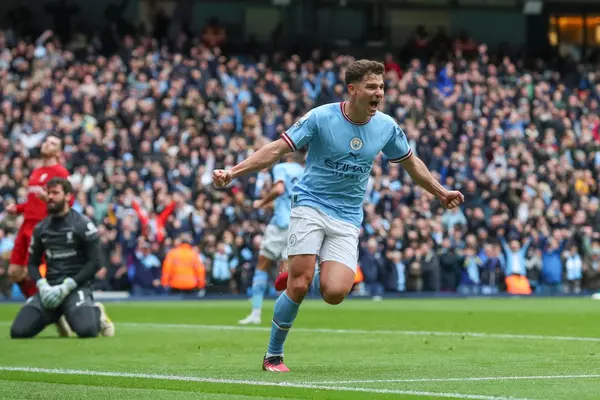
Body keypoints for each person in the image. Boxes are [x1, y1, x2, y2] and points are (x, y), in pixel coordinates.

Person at [213, 59, 464, 372]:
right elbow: (277, 149)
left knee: (334, 293)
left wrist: (440, 192)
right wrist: (233, 172)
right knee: (300, 285)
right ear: (352, 89)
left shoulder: (386, 127)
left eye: (382, 87)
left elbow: (412, 163)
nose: (379, 93)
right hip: (310, 203)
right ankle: (273, 355)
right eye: (372, 87)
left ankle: (303, 267)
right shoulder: (321, 117)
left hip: (347, 215)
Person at [10, 177, 115, 339]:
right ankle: (56, 316)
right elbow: (32, 264)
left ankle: (97, 312)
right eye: (48, 193)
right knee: (18, 332)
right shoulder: (41, 228)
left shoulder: (82, 224)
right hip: (50, 289)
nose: (50, 197)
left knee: (87, 330)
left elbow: (96, 262)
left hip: (76, 288)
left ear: (67, 196)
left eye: (55, 193)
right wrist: (42, 285)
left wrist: (69, 284)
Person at [239, 152, 305, 325]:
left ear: (289, 155)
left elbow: (279, 189)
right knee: (284, 274)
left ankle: (256, 313)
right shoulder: (306, 172)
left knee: (262, 265)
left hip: (280, 224)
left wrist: (261, 202)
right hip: (298, 225)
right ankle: (282, 318)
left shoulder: (281, 168)